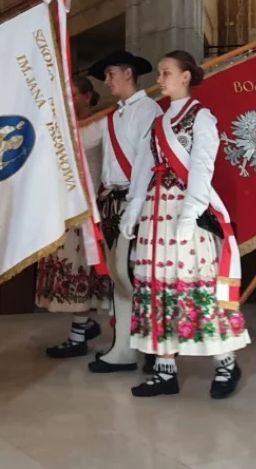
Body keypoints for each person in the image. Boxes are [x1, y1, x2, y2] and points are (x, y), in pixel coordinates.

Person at [120, 51, 249, 399]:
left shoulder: (201, 117)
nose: (159, 80)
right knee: (158, 289)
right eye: (160, 73)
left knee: (198, 286)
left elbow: (203, 167)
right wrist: (133, 210)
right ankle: (165, 370)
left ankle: (225, 363)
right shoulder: (158, 122)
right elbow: (143, 169)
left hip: (184, 214)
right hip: (155, 214)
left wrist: (190, 213)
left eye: (165, 73)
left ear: (185, 76)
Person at [85, 50, 162, 375]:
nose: (106, 81)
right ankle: (124, 347)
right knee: (120, 278)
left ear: (128, 73)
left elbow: (147, 164)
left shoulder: (149, 110)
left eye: (110, 74)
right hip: (113, 203)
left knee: (138, 277)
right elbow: (81, 139)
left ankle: (157, 347)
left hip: (140, 204)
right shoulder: (112, 116)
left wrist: (136, 205)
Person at [36, 76, 113, 358]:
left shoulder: (98, 125)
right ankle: (83, 325)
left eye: (75, 94)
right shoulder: (64, 129)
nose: (69, 99)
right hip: (64, 210)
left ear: (89, 97)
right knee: (73, 272)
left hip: (87, 209)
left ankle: (79, 335)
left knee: (81, 272)